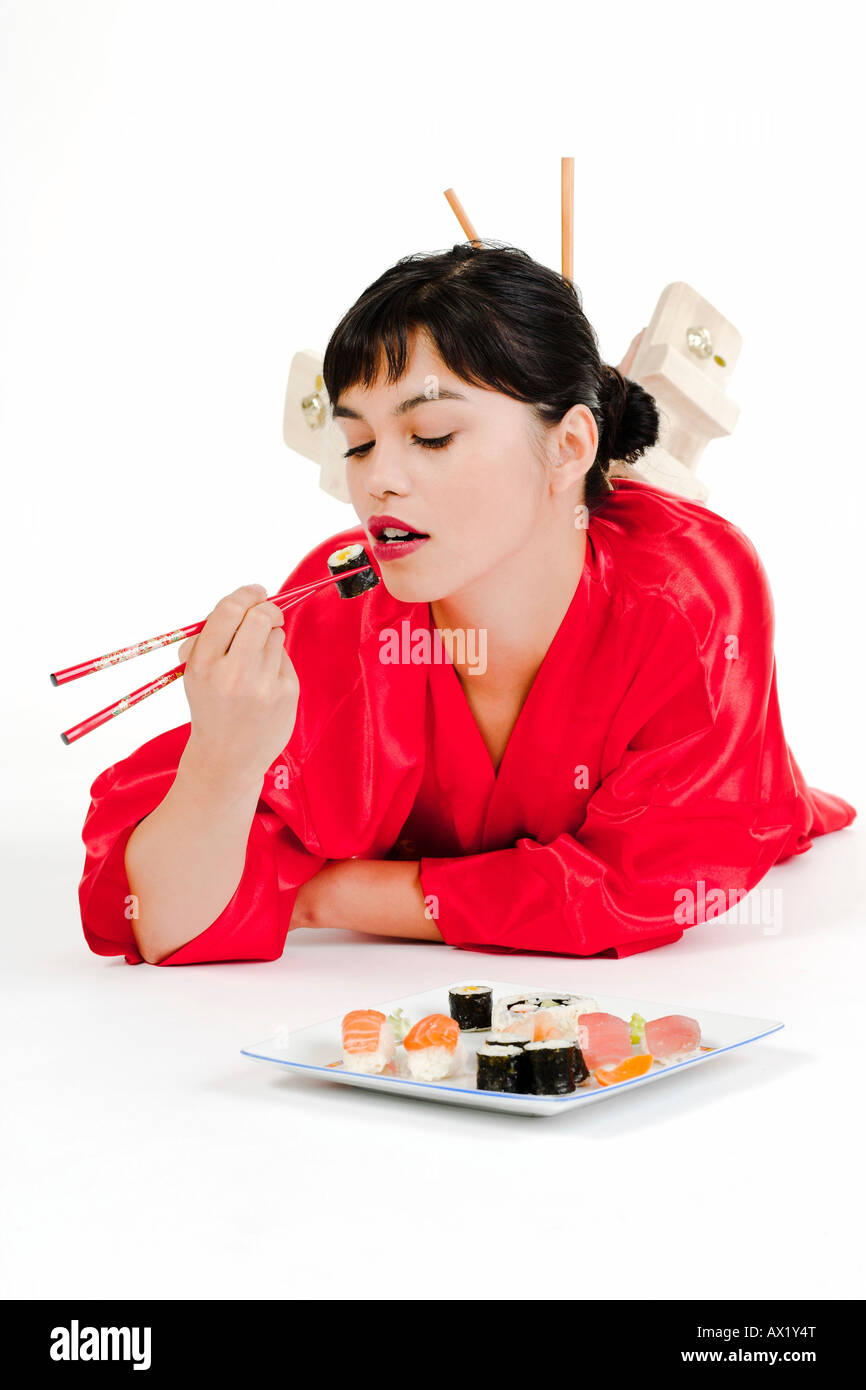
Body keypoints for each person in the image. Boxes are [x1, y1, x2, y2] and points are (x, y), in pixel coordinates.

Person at [77, 243, 856, 967]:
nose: (377, 480)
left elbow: (644, 886)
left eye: (434, 435)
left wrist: (325, 894)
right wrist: (224, 756)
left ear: (571, 446)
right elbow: (166, 921)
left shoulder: (688, 584)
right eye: (356, 442)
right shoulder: (343, 605)